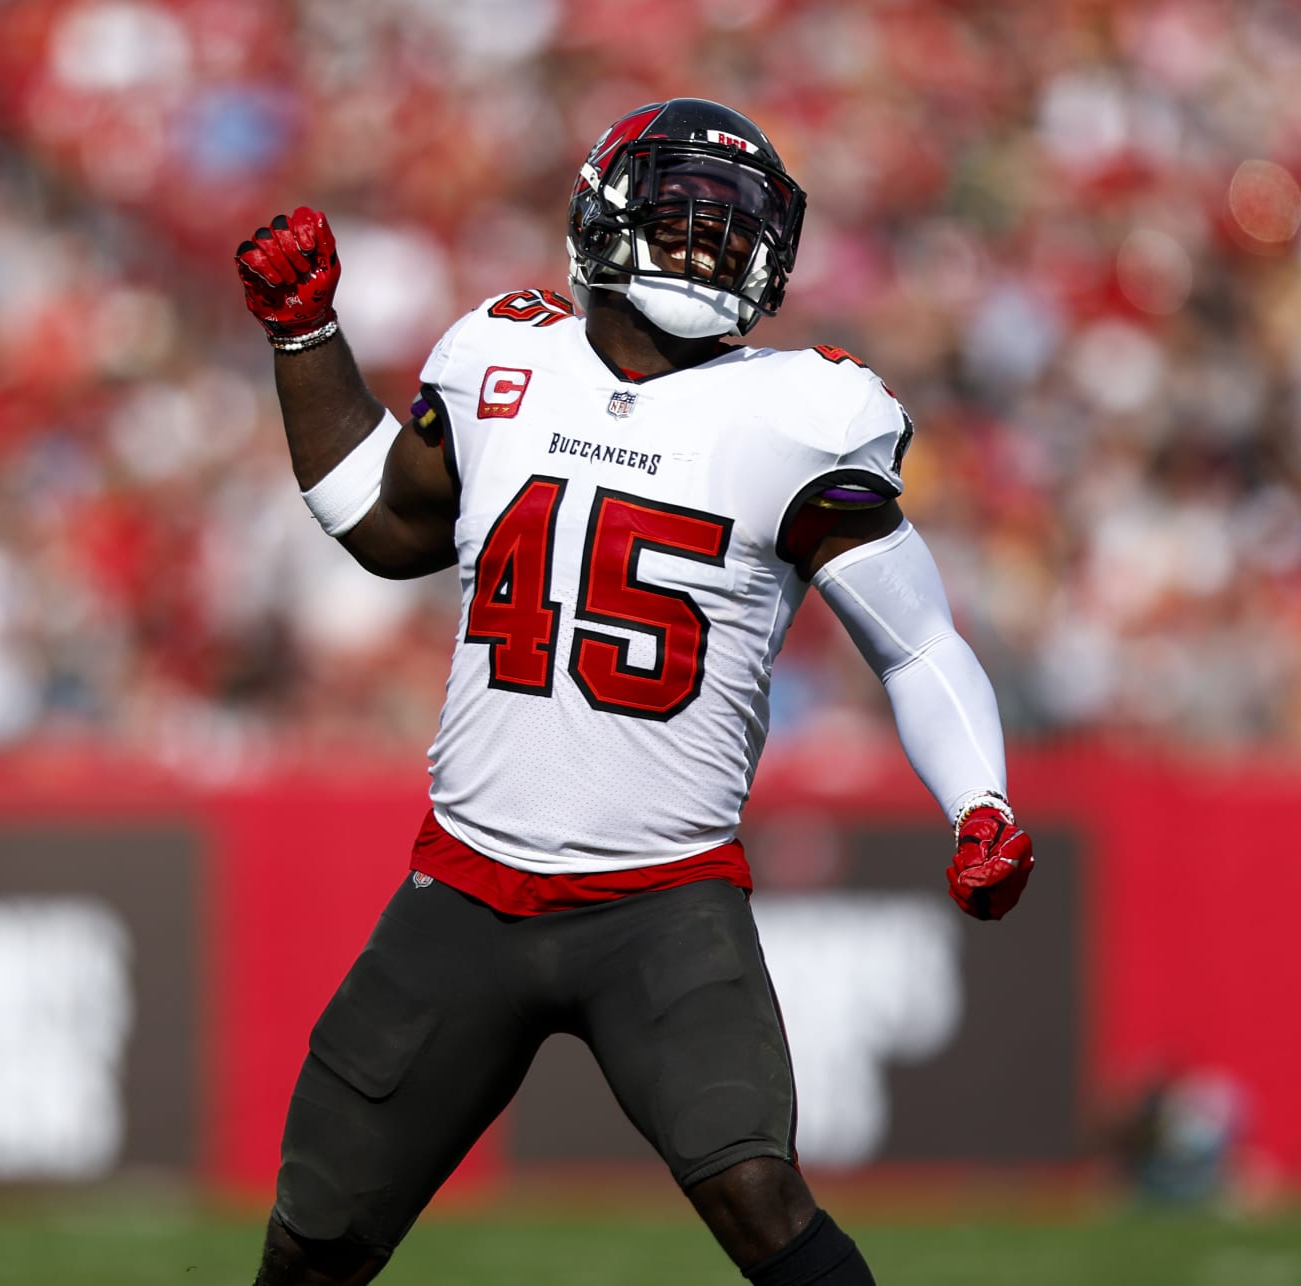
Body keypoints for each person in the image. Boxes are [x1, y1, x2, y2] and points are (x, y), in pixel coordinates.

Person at [234, 98, 1035, 1286]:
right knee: (312, 1241)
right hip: (465, 882)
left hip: (661, 900)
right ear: (603, 212)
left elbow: (914, 643)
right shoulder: (498, 352)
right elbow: (388, 523)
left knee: (760, 1196)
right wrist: (307, 339)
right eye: (685, 217)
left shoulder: (799, 412)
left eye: (735, 230)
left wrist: (981, 798)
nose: (713, 250)